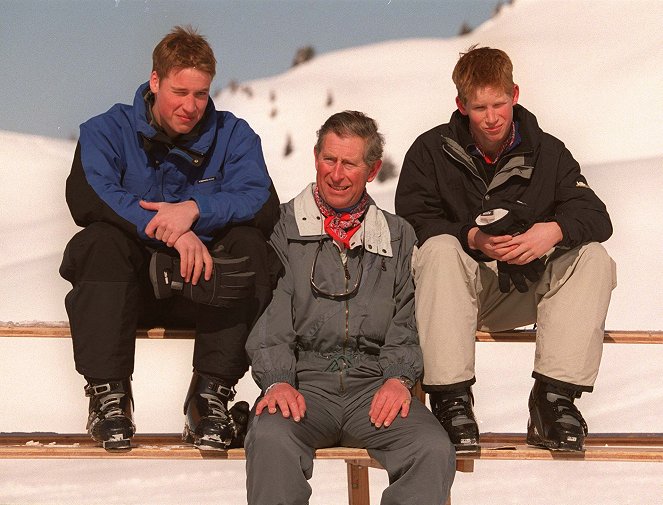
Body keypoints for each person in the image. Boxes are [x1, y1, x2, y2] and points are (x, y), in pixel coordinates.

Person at [59, 26, 280, 451]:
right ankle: (109, 397)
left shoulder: (234, 134)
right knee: (98, 242)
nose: (191, 106)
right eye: (180, 92)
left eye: (201, 94)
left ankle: (209, 397)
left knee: (251, 248)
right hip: (128, 289)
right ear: (155, 81)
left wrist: (195, 209)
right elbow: (90, 197)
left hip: (205, 286)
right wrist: (173, 232)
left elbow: (260, 200)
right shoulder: (106, 130)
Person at [395, 46, 616, 453]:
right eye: (480, 107)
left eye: (499, 104)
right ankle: (452, 402)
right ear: (461, 105)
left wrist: (550, 231)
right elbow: (409, 222)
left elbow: (596, 216)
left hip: (526, 289)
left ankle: (553, 401)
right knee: (440, 248)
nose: (492, 116)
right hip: (450, 295)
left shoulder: (549, 151)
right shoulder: (431, 150)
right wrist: (471, 238)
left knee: (594, 258)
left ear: (515, 94)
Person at [244, 111, 455, 505]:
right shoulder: (283, 227)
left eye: (350, 164)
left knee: (430, 447)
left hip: (373, 388)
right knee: (271, 438)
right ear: (315, 156)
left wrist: (398, 377)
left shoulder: (397, 235)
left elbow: (407, 317)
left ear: (372, 170)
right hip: (304, 385)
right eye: (329, 159)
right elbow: (270, 314)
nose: (336, 174)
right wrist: (277, 379)